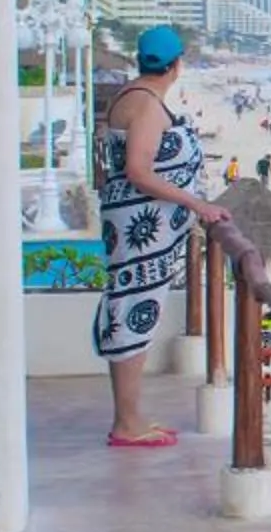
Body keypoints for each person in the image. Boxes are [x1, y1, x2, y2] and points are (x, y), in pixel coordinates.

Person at [94, 27, 227, 448]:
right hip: (142, 233)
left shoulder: (128, 96)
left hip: (132, 226)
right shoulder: (148, 107)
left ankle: (130, 416)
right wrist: (196, 204)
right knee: (135, 314)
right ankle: (127, 422)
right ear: (176, 65)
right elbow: (138, 170)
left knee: (131, 311)